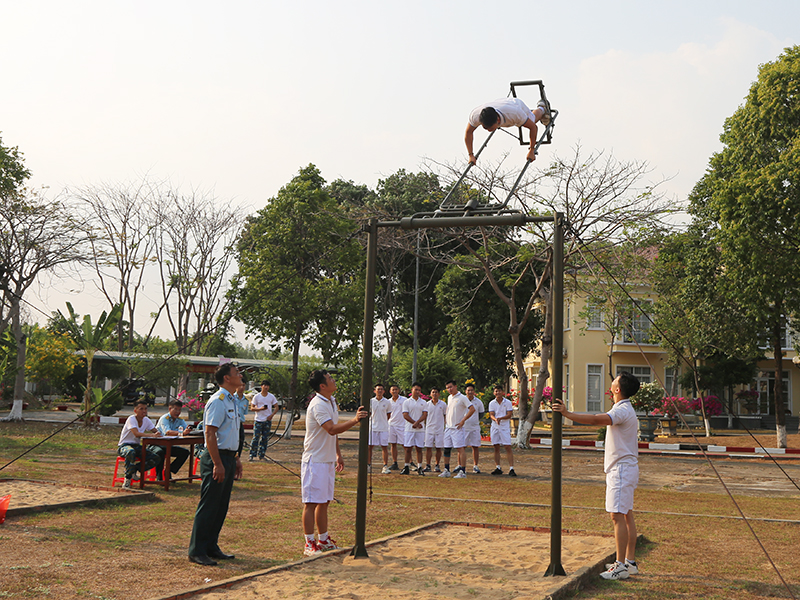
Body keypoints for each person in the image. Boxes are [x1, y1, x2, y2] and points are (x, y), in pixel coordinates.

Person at [552, 371, 641, 580]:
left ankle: (620, 566)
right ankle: (630, 562)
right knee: (626, 514)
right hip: (624, 468)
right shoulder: (624, 408)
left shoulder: (622, 411)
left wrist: (568, 414)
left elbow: (594, 420)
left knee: (617, 516)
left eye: (614, 381)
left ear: (618, 389)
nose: (611, 384)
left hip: (621, 470)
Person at [302, 369, 368, 557]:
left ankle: (323, 539)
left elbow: (333, 432)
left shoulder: (330, 401)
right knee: (311, 502)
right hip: (315, 460)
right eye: (330, 378)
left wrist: (338, 454)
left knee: (324, 501)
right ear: (322, 386)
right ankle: (309, 543)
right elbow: (330, 429)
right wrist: (355, 420)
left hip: (327, 460)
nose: (333, 380)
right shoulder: (317, 404)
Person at [188, 363, 244, 566]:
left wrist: (235, 458)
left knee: (221, 506)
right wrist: (217, 463)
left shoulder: (232, 400)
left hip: (228, 457)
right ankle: (197, 550)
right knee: (210, 505)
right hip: (216, 458)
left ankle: (211, 546)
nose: (240, 376)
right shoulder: (218, 401)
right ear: (227, 378)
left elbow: (230, 433)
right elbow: (210, 433)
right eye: (236, 373)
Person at [465, 97, 550, 165]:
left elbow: (533, 128)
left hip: (516, 104)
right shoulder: (476, 116)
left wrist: (531, 150)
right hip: (500, 103)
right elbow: (469, 132)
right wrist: (471, 155)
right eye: (486, 128)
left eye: (491, 128)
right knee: (522, 121)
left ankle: (542, 108)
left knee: (532, 119)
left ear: (498, 120)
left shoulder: (515, 114)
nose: (489, 131)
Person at [117, 399, 161, 488]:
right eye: (141, 409)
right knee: (130, 452)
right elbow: (136, 434)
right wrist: (152, 435)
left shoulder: (146, 420)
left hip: (137, 446)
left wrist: (158, 433)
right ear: (135, 410)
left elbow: (156, 431)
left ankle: (134, 469)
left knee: (156, 458)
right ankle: (128, 478)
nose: (144, 411)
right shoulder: (131, 419)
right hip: (125, 445)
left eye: (145, 409)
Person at [440, 380, 475, 479]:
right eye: (447, 388)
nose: (449, 389)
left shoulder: (462, 398)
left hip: (457, 428)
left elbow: (472, 409)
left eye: (451, 387)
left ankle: (462, 471)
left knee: (460, 449)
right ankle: (446, 470)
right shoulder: (449, 397)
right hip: (448, 428)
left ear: (455, 386)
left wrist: (463, 420)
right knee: (447, 449)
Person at [153, 399, 193, 480]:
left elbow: (185, 429)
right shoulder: (165, 418)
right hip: (157, 444)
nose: (177, 412)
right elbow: (167, 432)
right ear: (169, 409)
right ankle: (159, 477)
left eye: (179, 410)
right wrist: (182, 433)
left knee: (185, 452)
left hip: (168, 445)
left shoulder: (180, 420)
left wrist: (189, 430)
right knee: (159, 452)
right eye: (175, 409)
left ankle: (169, 470)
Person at [488, 386, 516, 477]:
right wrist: (495, 419)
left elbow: (509, 414)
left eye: (499, 391)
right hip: (495, 427)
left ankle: (511, 468)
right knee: (496, 446)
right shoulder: (492, 403)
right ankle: (498, 467)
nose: (498, 393)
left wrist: (501, 418)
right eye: (496, 391)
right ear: (494, 393)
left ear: (502, 392)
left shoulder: (507, 402)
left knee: (507, 446)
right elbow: (491, 414)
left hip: (504, 427)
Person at [401, 383, 427, 475]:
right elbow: (405, 415)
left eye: (419, 390)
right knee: (408, 448)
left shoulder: (423, 402)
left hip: (420, 429)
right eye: (416, 389)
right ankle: (406, 466)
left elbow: (424, 414)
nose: (417, 392)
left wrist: (417, 423)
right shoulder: (406, 402)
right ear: (412, 390)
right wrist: (414, 423)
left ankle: (420, 467)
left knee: (419, 448)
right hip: (409, 429)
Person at [249, 380, 277, 462]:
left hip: (267, 420)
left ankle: (262, 454)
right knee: (256, 438)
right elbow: (252, 408)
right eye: (264, 385)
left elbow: (276, 407)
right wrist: (260, 409)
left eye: (267, 386)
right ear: (261, 386)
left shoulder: (271, 396)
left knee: (265, 439)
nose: (266, 387)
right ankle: (252, 454)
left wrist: (271, 415)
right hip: (258, 420)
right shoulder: (257, 396)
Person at [368, 384, 392, 474]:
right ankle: (369, 465)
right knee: (370, 447)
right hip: (372, 427)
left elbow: (388, 415)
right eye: (378, 389)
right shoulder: (371, 401)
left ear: (384, 391)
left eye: (381, 389)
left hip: (383, 428)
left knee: (384, 447)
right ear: (375, 391)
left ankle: (385, 466)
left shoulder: (387, 402)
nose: (380, 391)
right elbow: (369, 413)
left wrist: (383, 422)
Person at [423, 386, 446, 473]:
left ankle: (437, 465)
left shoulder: (443, 404)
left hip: (439, 429)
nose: (434, 394)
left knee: (438, 448)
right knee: (428, 448)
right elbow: (424, 416)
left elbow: (445, 415)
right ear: (430, 394)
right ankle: (428, 465)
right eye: (433, 392)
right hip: (429, 429)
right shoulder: (427, 404)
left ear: (439, 394)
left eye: (436, 392)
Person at [464, 383, 485, 473]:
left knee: (475, 447)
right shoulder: (462, 400)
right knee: (461, 447)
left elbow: (481, 414)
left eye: (472, 390)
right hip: (464, 427)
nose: (470, 392)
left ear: (474, 391)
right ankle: (460, 465)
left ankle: (475, 466)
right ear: (465, 391)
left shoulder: (478, 402)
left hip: (475, 428)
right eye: (468, 390)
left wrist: (474, 420)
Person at [387, 384, 407, 470]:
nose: (394, 391)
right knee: (393, 444)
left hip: (402, 426)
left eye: (396, 389)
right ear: (390, 391)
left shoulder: (404, 400)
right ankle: (395, 463)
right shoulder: (388, 402)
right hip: (391, 425)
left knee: (405, 445)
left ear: (398, 390)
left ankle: (409, 462)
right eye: (393, 390)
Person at [234, 381, 249, 458]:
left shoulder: (246, 400)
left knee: (240, 442)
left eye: (243, 385)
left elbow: (245, 413)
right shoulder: (232, 398)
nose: (241, 388)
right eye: (239, 385)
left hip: (240, 424)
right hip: (232, 424)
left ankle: (237, 458)